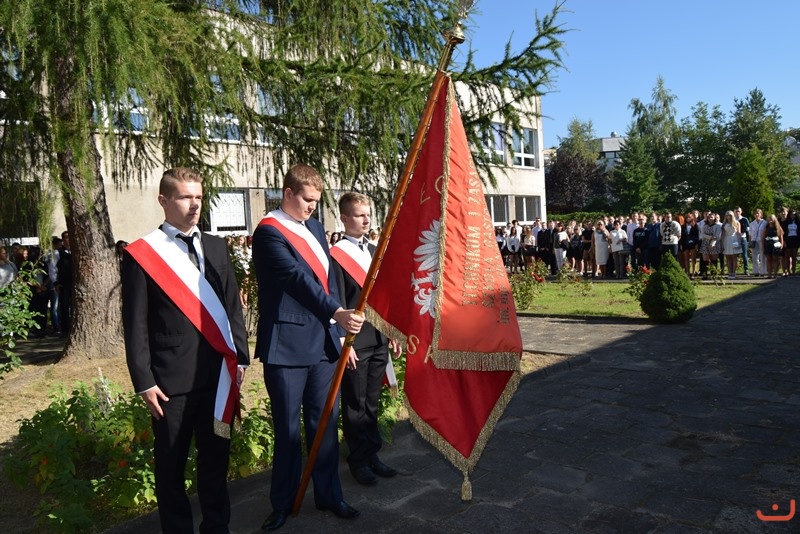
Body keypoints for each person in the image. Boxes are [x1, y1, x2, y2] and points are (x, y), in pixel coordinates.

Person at [121, 167, 250, 533]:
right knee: (171, 468)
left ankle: (217, 527)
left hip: (218, 378)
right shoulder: (142, 254)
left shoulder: (216, 246)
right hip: (170, 384)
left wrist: (240, 357)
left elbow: (231, 306)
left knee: (215, 462)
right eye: (185, 197)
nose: (194, 204)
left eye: (199, 197)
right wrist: (144, 381)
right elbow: (135, 324)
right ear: (164, 200)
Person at [251, 164, 364, 531]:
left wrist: (338, 328)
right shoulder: (268, 232)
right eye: (307, 200)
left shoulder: (314, 227)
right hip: (287, 345)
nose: (313, 207)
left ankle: (329, 495)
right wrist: (337, 312)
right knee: (287, 431)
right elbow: (296, 278)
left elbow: (327, 280)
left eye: (317, 201)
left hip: (324, 343)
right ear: (288, 193)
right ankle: (282, 503)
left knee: (325, 424)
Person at [330, 192, 401, 487]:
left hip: (378, 337)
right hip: (355, 342)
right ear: (344, 218)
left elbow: (383, 298)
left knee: (372, 402)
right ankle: (358, 460)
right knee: (356, 404)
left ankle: (372, 454)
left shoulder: (374, 250)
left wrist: (392, 331)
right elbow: (335, 300)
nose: (366, 219)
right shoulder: (335, 255)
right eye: (359, 215)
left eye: (368, 214)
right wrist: (342, 341)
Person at [721, 210, 742, 279]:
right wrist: (722, 243)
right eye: (727, 215)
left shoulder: (737, 223)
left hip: (734, 240)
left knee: (734, 257)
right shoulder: (724, 224)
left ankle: (734, 272)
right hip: (727, 240)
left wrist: (739, 242)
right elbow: (723, 235)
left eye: (730, 215)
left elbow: (738, 233)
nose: (728, 217)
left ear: (732, 216)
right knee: (728, 257)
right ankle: (729, 272)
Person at [763, 214, 785, 278]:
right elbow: (763, 237)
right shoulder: (766, 227)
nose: (770, 220)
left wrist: (782, 245)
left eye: (771, 219)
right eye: (769, 218)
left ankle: (775, 274)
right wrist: (763, 245)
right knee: (769, 260)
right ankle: (769, 274)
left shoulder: (778, 227)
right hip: (768, 244)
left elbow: (781, 237)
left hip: (776, 244)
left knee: (775, 259)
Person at [749, 209, 767, 277]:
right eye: (755, 213)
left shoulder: (765, 222)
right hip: (754, 241)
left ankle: (763, 271)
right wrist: (750, 243)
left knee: (763, 256)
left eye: (758, 213)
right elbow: (750, 234)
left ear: (761, 214)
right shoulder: (751, 224)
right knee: (755, 257)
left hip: (762, 241)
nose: (757, 215)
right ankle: (756, 271)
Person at [733, 206, 750, 275]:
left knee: (744, 254)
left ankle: (746, 269)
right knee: (734, 255)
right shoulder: (732, 220)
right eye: (736, 211)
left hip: (743, 238)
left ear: (741, 212)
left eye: (739, 211)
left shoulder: (744, 219)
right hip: (734, 239)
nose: (737, 213)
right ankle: (733, 270)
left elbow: (747, 229)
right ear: (734, 212)